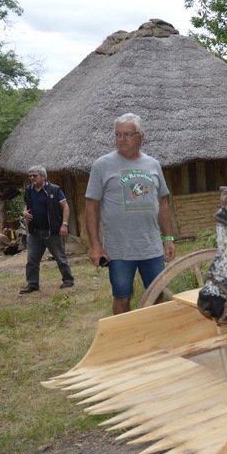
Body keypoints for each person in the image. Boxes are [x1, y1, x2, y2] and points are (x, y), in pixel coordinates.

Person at [85, 113, 176, 314]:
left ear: (140, 136)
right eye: (118, 135)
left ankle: (154, 334)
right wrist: (95, 245)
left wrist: (168, 238)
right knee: (122, 295)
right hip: (119, 249)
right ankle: (125, 339)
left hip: (151, 246)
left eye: (127, 134)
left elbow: (162, 201)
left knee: (157, 293)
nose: (121, 139)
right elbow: (91, 205)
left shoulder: (153, 164)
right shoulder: (102, 165)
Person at [20, 166, 75, 293]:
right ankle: (32, 284)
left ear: (43, 176)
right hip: (35, 231)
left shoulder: (54, 190)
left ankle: (68, 280)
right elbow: (26, 204)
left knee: (60, 257)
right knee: (32, 259)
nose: (31, 178)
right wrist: (24, 212)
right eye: (30, 176)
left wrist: (64, 224)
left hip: (52, 231)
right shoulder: (28, 191)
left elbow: (65, 207)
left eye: (34, 175)